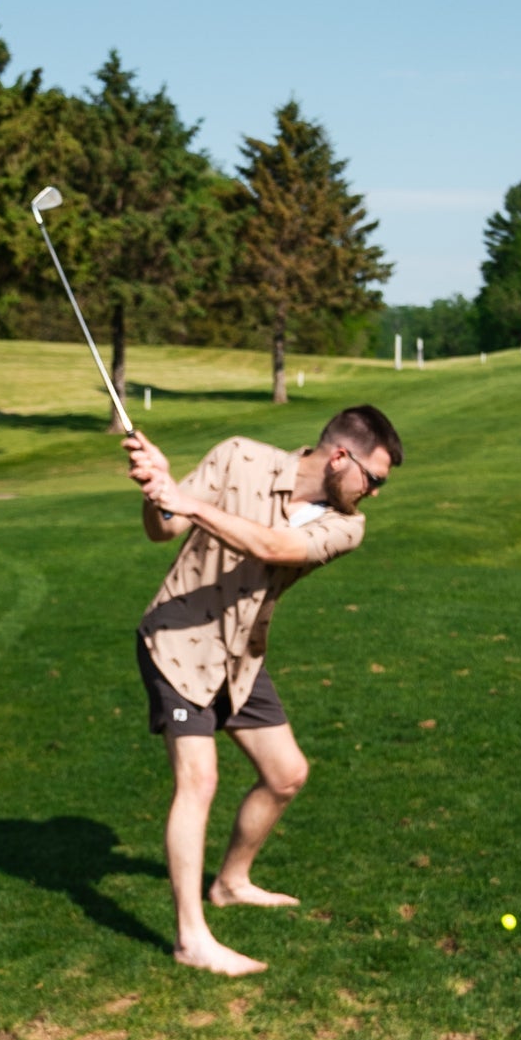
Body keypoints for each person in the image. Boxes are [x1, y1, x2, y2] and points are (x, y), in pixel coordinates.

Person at [122, 403, 402, 976]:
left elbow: (275, 548)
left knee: (287, 774)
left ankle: (230, 882)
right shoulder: (239, 457)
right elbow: (165, 529)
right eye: (373, 480)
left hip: (240, 655)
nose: (374, 493)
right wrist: (158, 492)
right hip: (176, 642)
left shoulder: (348, 524)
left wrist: (190, 501)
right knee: (198, 780)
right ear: (340, 457)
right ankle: (191, 937)